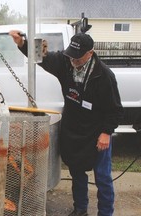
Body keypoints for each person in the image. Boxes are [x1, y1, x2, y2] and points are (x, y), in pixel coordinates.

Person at [9, 31, 124, 216]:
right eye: (71, 56)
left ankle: (105, 213)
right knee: (77, 173)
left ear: (90, 53)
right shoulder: (65, 63)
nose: (73, 61)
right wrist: (22, 43)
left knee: (102, 177)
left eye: (78, 58)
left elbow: (116, 110)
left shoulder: (104, 76)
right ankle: (80, 209)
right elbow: (42, 58)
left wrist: (106, 132)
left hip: (97, 132)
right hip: (73, 131)